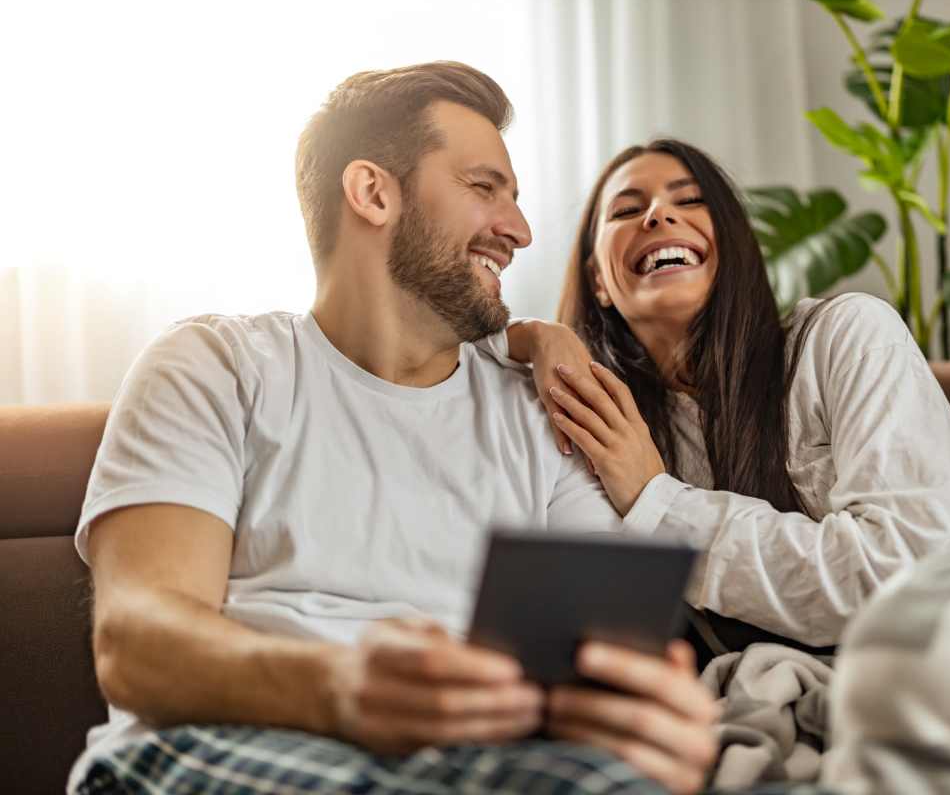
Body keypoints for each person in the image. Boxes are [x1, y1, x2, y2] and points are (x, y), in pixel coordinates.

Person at [68, 65, 785, 795]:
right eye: (484, 188)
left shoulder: (537, 412)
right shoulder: (214, 368)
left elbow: (602, 657)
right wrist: (342, 687)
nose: (521, 231)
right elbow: (136, 644)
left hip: (480, 764)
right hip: (216, 747)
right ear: (375, 193)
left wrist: (639, 715)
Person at [484, 139, 950, 793]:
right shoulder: (611, 422)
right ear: (600, 282)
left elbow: (902, 576)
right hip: (874, 673)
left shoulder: (844, 334)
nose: (659, 218)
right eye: (628, 210)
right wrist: (537, 335)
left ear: (730, 248)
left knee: (939, 672)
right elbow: (437, 348)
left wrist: (657, 498)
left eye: (689, 200)